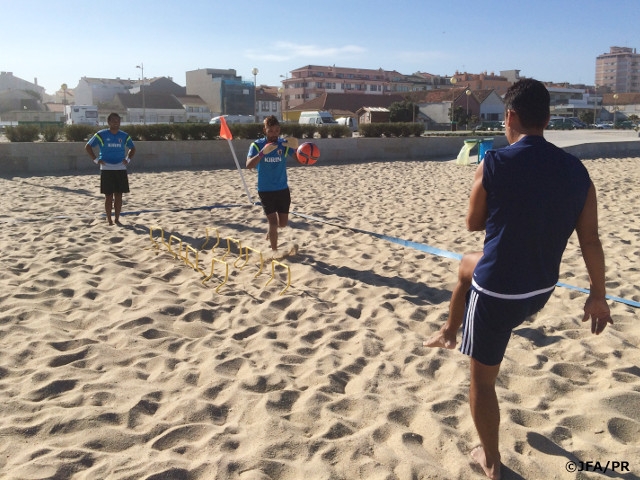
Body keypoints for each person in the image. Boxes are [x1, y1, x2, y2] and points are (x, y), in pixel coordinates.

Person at [423, 79, 612, 480]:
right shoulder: (578, 172)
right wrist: (598, 296)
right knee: (464, 265)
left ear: (509, 117)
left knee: (482, 382)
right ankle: (448, 329)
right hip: (540, 290)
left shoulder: (493, 162)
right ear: (546, 119)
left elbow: (473, 222)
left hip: (497, 293)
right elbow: (590, 240)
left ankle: (490, 462)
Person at [246, 115, 298, 257]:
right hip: (265, 190)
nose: (274, 134)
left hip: (282, 189)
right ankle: (275, 252)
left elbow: (301, 159)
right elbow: (248, 165)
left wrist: (297, 147)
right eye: (270, 131)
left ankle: (271, 232)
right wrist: (262, 153)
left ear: (279, 130)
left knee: (282, 224)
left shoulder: (283, 144)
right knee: (273, 223)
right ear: (265, 130)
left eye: (276, 131)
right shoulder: (257, 145)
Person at [85, 112, 135, 226]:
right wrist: (96, 159)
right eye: (113, 121)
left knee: (119, 195)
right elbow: (88, 146)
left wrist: (128, 159)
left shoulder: (124, 135)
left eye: (118, 121)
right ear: (109, 122)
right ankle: (109, 219)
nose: (116, 123)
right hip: (106, 169)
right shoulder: (101, 134)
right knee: (108, 196)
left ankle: (117, 218)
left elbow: (132, 148)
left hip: (120, 168)